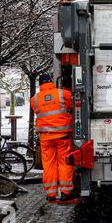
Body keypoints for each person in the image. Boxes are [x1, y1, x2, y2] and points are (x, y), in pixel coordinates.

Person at [30, 74, 75, 202]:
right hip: (62, 135)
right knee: (64, 162)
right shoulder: (63, 94)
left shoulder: (35, 99)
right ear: (51, 81)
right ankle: (66, 192)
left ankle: (51, 194)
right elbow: (73, 105)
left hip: (45, 137)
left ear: (40, 84)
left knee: (49, 164)